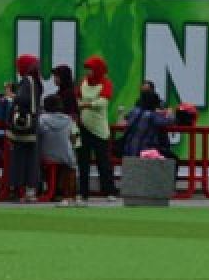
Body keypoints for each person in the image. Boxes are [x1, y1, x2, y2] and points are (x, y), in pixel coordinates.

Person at [77, 54, 117, 203]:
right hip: (83, 128)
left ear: (99, 70)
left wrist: (86, 105)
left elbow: (103, 102)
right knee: (83, 162)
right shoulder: (83, 83)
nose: (88, 72)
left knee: (104, 162)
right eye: (87, 69)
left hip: (100, 129)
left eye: (91, 69)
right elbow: (77, 97)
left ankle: (109, 191)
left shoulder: (106, 83)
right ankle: (83, 192)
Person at [9, 54, 44, 203]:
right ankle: (31, 190)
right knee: (32, 159)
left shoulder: (26, 81)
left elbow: (22, 99)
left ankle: (20, 190)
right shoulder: (36, 81)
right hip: (33, 125)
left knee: (20, 158)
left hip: (24, 125)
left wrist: (11, 95)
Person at [40, 95, 80, 206]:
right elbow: (74, 137)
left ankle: (43, 190)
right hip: (65, 156)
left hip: (45, 155)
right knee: (71, 162)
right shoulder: (69, 120)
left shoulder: (41, 119)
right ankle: (70, 194)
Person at [121, 85, 172, 158]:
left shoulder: (134, 111)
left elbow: (124, 121)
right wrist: (169, 113)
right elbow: (169, 121)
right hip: (144, 152)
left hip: (127, 151)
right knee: (172, 157)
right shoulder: (152, 115)